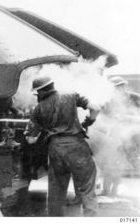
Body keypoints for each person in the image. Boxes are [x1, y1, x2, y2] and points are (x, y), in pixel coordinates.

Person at [24, 76, 100, 217]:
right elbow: (96, 108)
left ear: (40, 92)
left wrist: (35, 132)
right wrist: (88, 122)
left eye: (37, 93)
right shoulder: (71, 95)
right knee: (87, 189)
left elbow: (31, 140)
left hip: (56, 150)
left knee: (56, 192)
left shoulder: (38, 109)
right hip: (77, 147)